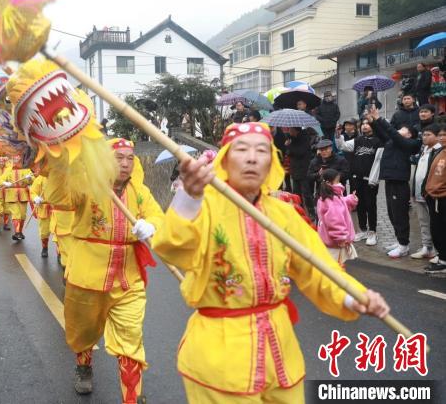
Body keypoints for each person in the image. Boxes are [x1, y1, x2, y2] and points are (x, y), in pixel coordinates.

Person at [152, 122, 389, 403]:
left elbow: (318, 268)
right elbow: (171, 248)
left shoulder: (283, 215)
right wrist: (188, 198)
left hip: (279, 349)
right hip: (220, 358)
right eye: (242, 149)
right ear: (225, 158)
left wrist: (353, 297)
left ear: (272, 162)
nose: (252, 157)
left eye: (261, 150)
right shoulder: (204, 206)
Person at [49, 138, 163, 403]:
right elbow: (58, 198)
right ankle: (84, 365)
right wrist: (59, 165)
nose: (125, 163)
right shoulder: (88, 185)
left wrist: (152, 225)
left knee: (131, 339)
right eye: (118, 158)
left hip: (128, 279)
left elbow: (158, 215)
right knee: (84, 332)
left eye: (129, 158)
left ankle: (131, 398)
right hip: (86, 277)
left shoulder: (140, 191)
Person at [367, 107, 421, 258]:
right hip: (390, 180)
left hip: (399, 182)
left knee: (399, 214)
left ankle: (404, 245)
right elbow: (382, 134)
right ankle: (399, 241)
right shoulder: (394, 141)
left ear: (409, 134)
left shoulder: (410, 143)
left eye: (403, 129)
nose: (399, 130)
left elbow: (392, 133)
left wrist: (379, 119)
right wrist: (373, 123)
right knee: (391, 213)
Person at [336, 119, 382, 246]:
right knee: (359, 204)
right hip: (356, 178)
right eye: (363, 124)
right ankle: (362, 229)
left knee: (370, 204)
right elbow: (342, 146)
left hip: (370, 179)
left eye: (368, 124)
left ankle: (372, 231)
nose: (365, 126)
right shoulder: (357, 140)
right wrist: (338, 136)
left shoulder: (378, 141)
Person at [411, 124, 442, 260]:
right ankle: (427, 247)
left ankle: (439, 251)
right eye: (423, 134)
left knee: (436, 224)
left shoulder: (439, 151)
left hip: (431, 194)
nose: (424, 137)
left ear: (437, 136)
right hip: (418, 193)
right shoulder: (424, 149)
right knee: (423, 221)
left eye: (428, 134)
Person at [316, 168, 359, 265]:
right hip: (336, 242)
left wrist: (351, 199)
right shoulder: (333, 200)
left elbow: (342, 203)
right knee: (335, 266)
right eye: (337, 181)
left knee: (331, 265)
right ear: (329, 183)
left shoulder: (328, 196)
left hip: (329, 239)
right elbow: (335, 221)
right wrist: (340, 238)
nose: (339, 183)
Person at [424, 125, 446, 274]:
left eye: (445, 135)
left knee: (441, 230)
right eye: (441, 135)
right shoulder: (440, 151)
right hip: (433, 196)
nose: (442, 138)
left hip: (442, 197)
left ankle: (444, 261)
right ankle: (442, 256)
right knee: (436, 229)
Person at [285, 127, 317, 220]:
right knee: (296, 194)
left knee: (306, 193)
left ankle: (312, 212)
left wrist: (289, 146)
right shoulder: (291, 139)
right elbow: (288, 153)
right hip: (295, 169)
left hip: (304, 169)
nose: (289, 131)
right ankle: (300, 211)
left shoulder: (304, 138)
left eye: (290, 129)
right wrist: (288, 146)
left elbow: (300, 152)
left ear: (295, 130)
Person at [0, 156, 33, 240]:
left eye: (18, 159)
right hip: (12, 194)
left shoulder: (25, 169)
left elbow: (32, 180)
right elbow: (1, 179)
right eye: (14, 159)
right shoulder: (8, 170)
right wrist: (5, 183)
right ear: (12, 160)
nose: (16, 161)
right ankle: (17, 232)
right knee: (16, 214)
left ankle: (20, 232)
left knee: (22, 215)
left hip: (23, 195)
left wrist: (29, 178)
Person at [29, 169, 52, 257]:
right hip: (44, 208)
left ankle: (60, 253)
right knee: (44, 231)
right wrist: (35, 198)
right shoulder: (40, 178)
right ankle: (45, 247)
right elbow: (33, 192)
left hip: (57, 209)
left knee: (59, 232)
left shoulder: (61, 177)